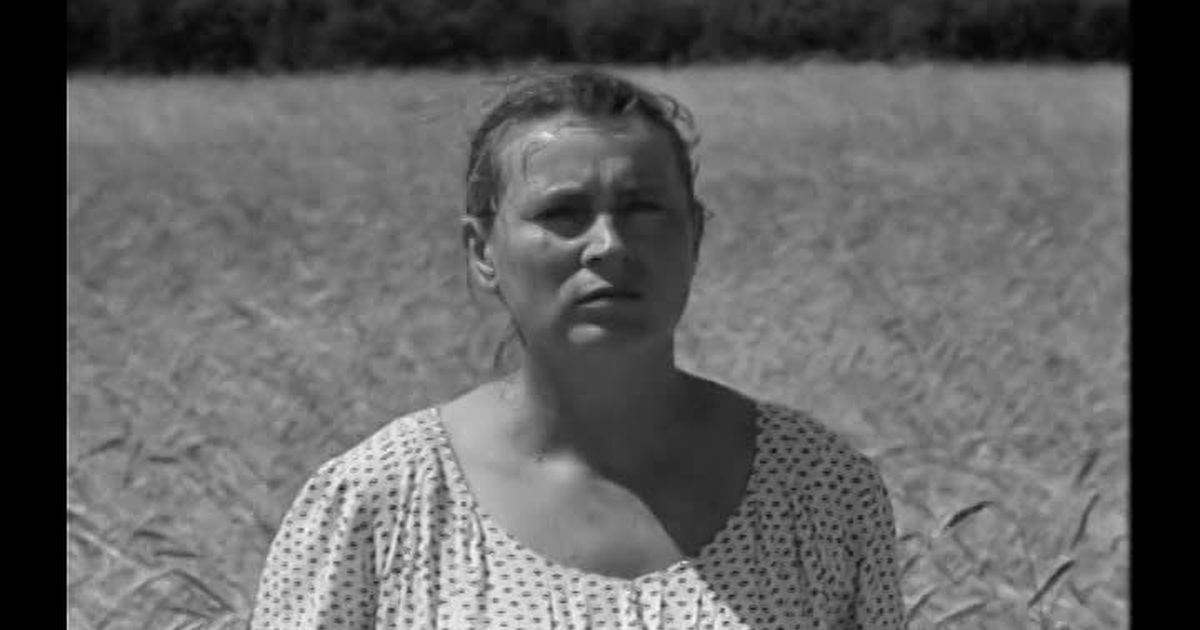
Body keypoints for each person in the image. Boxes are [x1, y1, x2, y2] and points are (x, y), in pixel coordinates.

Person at [251, 68, 903, 629]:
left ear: (695, 237)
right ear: (482, 251)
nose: (609, 246)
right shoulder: (377, 505)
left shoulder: (819, 491)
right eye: (563, 213)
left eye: (642, 209)